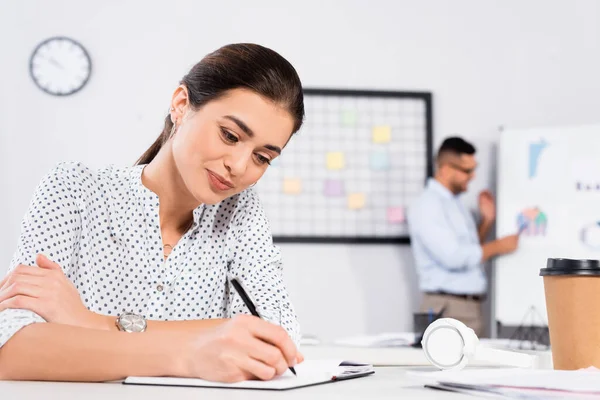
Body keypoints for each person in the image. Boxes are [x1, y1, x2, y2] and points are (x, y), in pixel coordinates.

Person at [0, 43, 305, 383]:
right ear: (181, 105)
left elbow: (275, 339)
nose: (238, 166)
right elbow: (11, 345)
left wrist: (91, 322)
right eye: (230, 135)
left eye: (262, 158)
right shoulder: (74, 190)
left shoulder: (240, 211)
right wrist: (194, 353)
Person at [407, 137, 519, 337]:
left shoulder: (455, 204)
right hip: (448, 308)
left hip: (467, 307)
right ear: (446, 169)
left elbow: (468, 249)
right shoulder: (427, 205)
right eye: (467, 171)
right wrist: (499, 246)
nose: (473, 176)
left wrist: (486, 221)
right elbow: (454, 257)